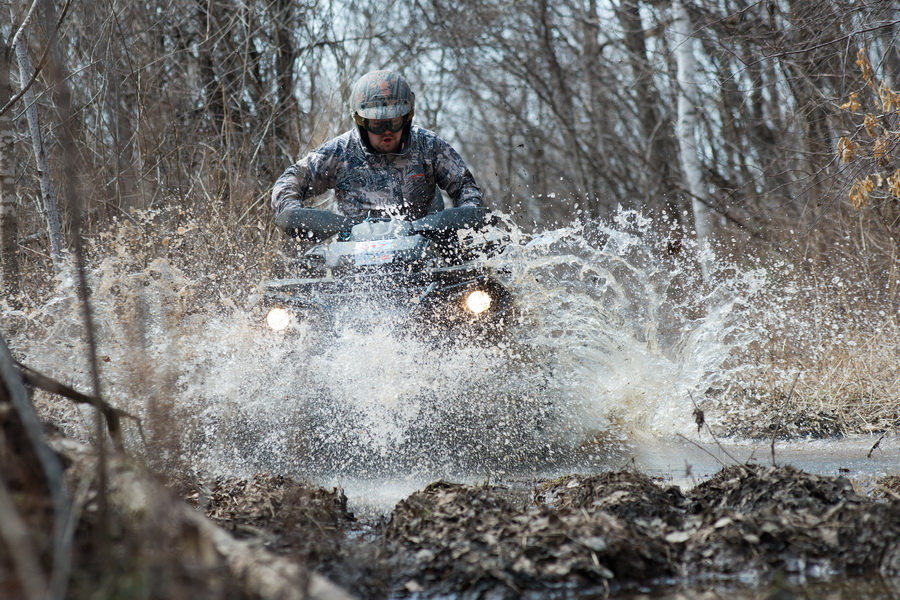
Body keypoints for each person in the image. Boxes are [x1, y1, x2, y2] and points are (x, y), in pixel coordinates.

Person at [271, 70, 484, 222]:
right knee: (310, 266)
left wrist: (466, 213)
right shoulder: (340, 151)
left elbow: (465, 186)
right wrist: (293, 213)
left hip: (426, 243)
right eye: (377, 124)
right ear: (362, 123)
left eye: (394, 121)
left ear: (407, 118)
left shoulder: (428, 145)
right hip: (353, 251)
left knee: (475, 266)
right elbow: (288, 182)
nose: (387, 131)